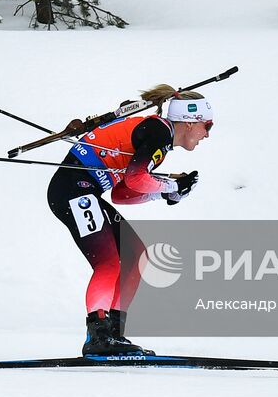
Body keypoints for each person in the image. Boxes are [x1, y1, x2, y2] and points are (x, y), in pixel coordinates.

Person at [45, 85, 211, 356]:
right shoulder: (158, 131)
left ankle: (113, 333)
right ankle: (97, 335)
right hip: (73, 190)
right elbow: (136, 179)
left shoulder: (160, 140)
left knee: (136, 256)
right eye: (207, 126)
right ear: (190, 123)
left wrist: (165, 194)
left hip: (84, 190)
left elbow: (123, 194)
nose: (207, 134)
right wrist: (168, 187)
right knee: (108, 262)